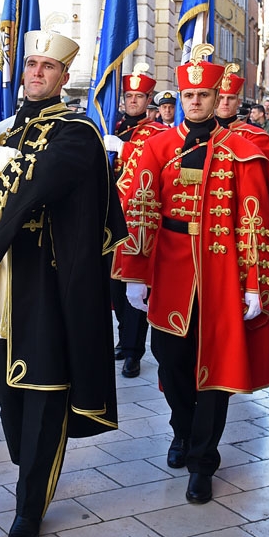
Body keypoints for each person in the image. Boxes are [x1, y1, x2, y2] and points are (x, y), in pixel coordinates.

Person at [0, 30, 125, 537]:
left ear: (62, 77)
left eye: (46, 67)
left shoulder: (77, 132)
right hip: (7, 287)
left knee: (43, 395)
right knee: (9, 398)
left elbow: (37, 182)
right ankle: (27, 471)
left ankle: (28, 508)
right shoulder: (10, 128)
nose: (36, 73)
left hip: (49, 286)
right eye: (31, 64)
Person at [116, 44, 269, 507]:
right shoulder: (158, 146)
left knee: (217, 368)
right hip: (169, 266)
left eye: (204, 95)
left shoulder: (240, 150)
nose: (197, 103)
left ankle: (204, 459)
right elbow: (140, 209)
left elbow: (252, 220)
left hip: (220, 268)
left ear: (216, 95)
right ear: (180, 98)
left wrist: (254, 284)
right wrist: (135, 273)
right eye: (189, 96)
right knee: (171, 361)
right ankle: (181, 431)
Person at [102, 67, 166, 379]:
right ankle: (122, 338)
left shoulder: (156, 134)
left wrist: (124, 149)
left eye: (139, 97)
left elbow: (156, 165)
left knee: (134, 287)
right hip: (107, 218)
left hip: (136, 220)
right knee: (114, 289)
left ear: (148, 100)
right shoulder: (113, 127)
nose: (132, 101)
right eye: (128, 96)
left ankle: (134, 351)